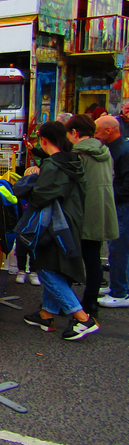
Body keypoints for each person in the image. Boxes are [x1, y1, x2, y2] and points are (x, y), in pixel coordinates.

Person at [21, 121, 98, 341]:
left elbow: (40, 196)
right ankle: (47, 314)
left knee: (45, 268)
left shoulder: (53, 166)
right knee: (55, 267)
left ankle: (83, 318)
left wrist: (30, 180)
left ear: (44, 140)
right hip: (72, 219)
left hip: (54, 224)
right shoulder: (73, 160)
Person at [66, 114, 119, 317]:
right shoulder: (104, 151)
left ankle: (69, 303)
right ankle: (91, 301)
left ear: (74, 133)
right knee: (93, 258)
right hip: (103, 207)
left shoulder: (79, 154)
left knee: (71, 257)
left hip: (83, 210)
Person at [95, 115, 129, 307]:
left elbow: (126, 183)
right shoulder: (118, 148)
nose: (97, 135)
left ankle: (120, 291)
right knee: (118, 248)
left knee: (118, 247)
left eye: (98, 131)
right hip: (119, 203)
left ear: (109, 130)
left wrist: (110, 197)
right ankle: (119, 287)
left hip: (122, 205)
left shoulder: (123, 150)